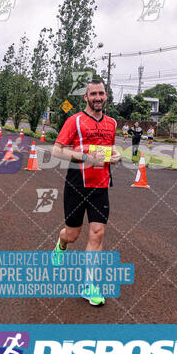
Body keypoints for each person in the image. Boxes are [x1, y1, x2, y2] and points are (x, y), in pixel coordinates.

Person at [51, 79, 121, 306]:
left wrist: (114, 156)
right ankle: (60, 245)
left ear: (106, 96)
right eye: (93, 94)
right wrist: (85, 158)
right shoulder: (75, 121)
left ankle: (89, 284)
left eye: (101, 93)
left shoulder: (112, 123)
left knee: (97, 233)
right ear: (86, 97)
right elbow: (56, 150)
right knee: (72, 235)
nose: (98, 97)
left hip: (101, 185)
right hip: (77, 184)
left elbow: (108, 150)